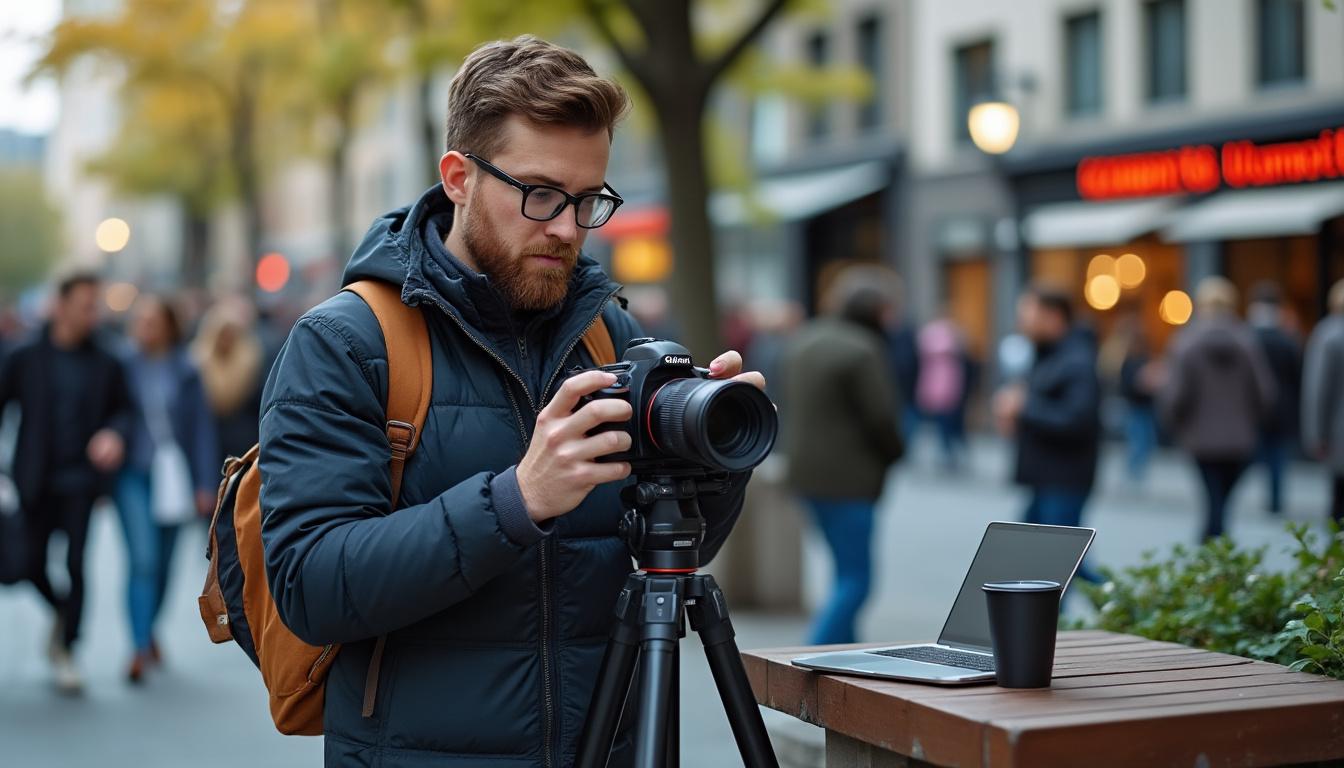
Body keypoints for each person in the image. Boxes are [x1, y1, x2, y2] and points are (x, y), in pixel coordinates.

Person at [257, 37, 763, 767]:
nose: (567, 227)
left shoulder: (606, 334)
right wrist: (517, 500)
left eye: (589, 200)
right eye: (540, 194)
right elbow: (312, 586)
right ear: (459, 177)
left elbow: (660, 555)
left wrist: (712, 467)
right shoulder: (347, 342)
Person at [0, 271, 133, 694]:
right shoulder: (25, 357)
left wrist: (113, 433)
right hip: (34, 479)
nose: (92, 314)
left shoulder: (107, 360)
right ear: (60, 305)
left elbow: (123, 411)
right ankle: (61, 613)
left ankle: (69, 648)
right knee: (24, 564)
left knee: (77, 565)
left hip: (81, 482)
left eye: (96, 306)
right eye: (85, 305)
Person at [781, 265, 904, 645]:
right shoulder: (862, 349)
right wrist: (898, 451)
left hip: (805, 475)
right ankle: (812, 660)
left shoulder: (804, 339)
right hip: (850, 480)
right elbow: (882, 418)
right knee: (856, 580)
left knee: (841, 573)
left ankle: (842, 660)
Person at [115, 294, 218, 683]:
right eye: (139, 320)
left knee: (164, 563)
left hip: (176, 478)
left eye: (152, 320)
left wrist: (205, 483)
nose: (145, 327)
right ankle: (139, 646)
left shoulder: (186, 370)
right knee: (142, 559)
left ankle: (149, 627)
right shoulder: (122, 365)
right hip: (134, 476)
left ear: (168, 326)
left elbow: (201, 430)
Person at [993, 285, 1101, 582]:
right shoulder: (1047, 355)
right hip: (1045, 477)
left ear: (1053, 317)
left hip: (1063, 478)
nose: (1021, 323)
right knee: (1045, 561)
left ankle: (1121, 605)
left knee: (1057, 565)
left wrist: (1024, 407)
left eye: (1027, 315)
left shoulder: (1076, 360)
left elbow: (1076, 420)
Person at [1160, 278, 1275, 542]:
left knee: (1213, 494)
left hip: (1200, 438)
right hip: (1240, 437)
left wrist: (1174, 422)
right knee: (1221, 496)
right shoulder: (1247, 341)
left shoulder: (1187, 342)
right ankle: (1216, 538)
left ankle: (1212, 540)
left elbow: (1176, 395)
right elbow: (1264, 391)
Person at [1247, 282, 1302, 514]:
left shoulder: (1248, 338)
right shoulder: (1287, 340)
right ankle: (1275, 501)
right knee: (1278, 458)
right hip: (1282, 407)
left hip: (1256, 407)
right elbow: (1297, 375)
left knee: (1255, 453)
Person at [191, 297, 266, 461]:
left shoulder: (252, 362)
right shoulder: (197, 363)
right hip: (208, 442)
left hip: (244, 444)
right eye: (223, 334)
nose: (227, 339)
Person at [1302, 279, 1344, 526]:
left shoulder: (1329, 335)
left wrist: (1316, 436)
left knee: (1338, 501)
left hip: (1338, 433)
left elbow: (1317, 392)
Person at [916, 313, 969, 472]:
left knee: (949, 422)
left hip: (949, 389)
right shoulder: (938, 337)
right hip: (939, 388)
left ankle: (950, 451)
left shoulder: (951, 339)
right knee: (943, 423)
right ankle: (947, 452)